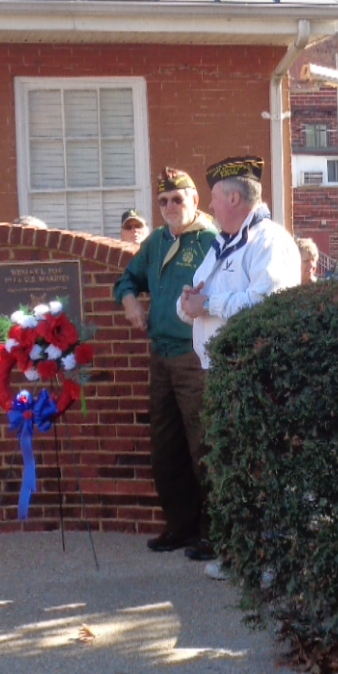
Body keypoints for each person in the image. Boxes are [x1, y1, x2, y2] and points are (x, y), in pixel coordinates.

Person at [176, 156, 302, 563]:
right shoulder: (222, 245)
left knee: (257, 463)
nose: (210, 207)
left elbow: (268, 302)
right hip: (219, 370)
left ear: (233, 197)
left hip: (254, 370)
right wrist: (190, 304)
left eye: (213, 198)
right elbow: (194, 301)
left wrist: (208, 302)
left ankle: (266, 558)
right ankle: (241, 552)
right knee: (230, 462)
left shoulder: (269, 241)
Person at [113, 168, 219, 556]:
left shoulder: (211, 240)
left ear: (193, 199)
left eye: (178, 199)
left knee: (204, 444)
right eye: (163, 201)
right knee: (166, 446)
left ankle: (215, 531)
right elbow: (127, 278)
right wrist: (129, 302)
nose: (171, 206)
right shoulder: (157, 241)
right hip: (160, 355)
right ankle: (181, 525)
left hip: (195, 357)